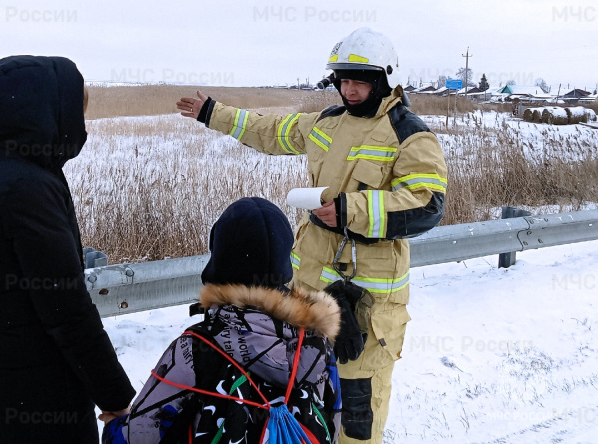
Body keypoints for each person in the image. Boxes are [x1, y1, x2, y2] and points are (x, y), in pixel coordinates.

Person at [176, 28, 447, 443]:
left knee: (357, 415)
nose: (349, 89)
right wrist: (212, 112)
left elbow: (427, 204)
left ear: (384, 80)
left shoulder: (410, 134)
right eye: (343, 79)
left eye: (360, 80)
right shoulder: (327, 123)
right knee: (306, 399)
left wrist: (348, 210)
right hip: (308, 294)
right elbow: (270, 131)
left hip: (367, 307)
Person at [0, 55, 135, 443]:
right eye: (75, 110)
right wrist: (116, 396)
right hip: (31, 396)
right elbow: (65, 309)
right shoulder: (27, 188)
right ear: (48, 113)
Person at [102, 197, 342, 444]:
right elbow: (332, 425)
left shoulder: (195, 347)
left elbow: (140, 435)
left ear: (220, 261)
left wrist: (113, 427)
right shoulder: (315, 341)